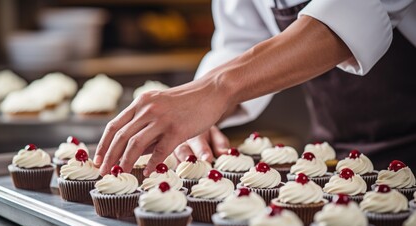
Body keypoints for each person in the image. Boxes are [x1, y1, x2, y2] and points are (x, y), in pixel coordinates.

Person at [94, 0, 416, 176]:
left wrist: (215, 90)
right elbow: (241, 40)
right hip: (339, 157)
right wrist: (203, 113)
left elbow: (354, 15)